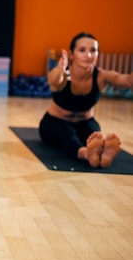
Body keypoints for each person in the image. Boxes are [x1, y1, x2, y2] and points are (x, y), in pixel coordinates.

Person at [39, 32, 133, 168]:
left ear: (98, 54)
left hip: (85, 121)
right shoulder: (63, 74)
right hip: (55, 123)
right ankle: (86, 154)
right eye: (82, 50)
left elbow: (126, 80)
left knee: (94, 137)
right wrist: (60, 68)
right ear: (71, 54)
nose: (88, 55)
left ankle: (102, 152)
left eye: (93, 50)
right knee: (67, 135)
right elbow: (54, 80)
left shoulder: (101, 76)